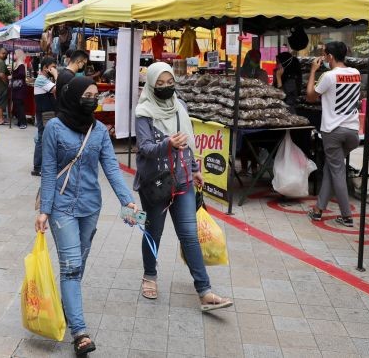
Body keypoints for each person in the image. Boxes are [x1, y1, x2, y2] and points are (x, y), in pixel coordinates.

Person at [36, 76, 137, 356]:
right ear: (74, 96)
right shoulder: (54, 129)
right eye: (88, 95)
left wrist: (127, 201)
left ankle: (68, 305)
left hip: (91, 206)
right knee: (70, 266)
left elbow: (112, 168)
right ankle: (79, 331)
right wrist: (45, 210)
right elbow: (48, 170)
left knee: (77, 266)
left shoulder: (100, 131)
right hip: (62, 207)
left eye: (96, 95)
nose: (93, 99)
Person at [134, 62, 233, 311]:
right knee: (153, 233)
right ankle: (150, 275)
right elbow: (144, 148)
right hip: (156, 183)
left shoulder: (180, 106)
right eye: (161, 84)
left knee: (189, 235)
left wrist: (196, 170)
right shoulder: (144, 112)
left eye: (170, 83)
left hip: (183, 180)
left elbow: (187, 144)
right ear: (152, 85)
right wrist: (167, 143)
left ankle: (205, 290)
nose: (167, 87)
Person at [306, 41, 360, 227]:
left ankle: (347, 216)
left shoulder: (328, 76)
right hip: (352, 132)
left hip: (333, 132)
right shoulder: (356, 74)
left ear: (329, 57)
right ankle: (318, 210)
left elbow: (311, 96)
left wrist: (314, 70)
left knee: (337, 172)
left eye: (324, 54)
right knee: (331, 168)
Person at [31, 57, 58, 176]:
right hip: (44, 113)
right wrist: (56, 75)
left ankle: (41, 166)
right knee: (42, 139)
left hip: (47, 113)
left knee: (44, 138)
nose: (54, 69)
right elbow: (57, 89)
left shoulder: (45, 79)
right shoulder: (42, 79)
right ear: (45, 68)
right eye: (52, 67)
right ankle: (37, 167)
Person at [10, 49, 28, 128]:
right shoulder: (17, 64)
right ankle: (19, 121)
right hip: (16, 88)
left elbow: (22, 74)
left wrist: (12, 76)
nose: (13, 56)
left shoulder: (21, 65)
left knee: (19, 105)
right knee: (17, 105)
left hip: (20, 88)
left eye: (14, 54)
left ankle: (23, 123)